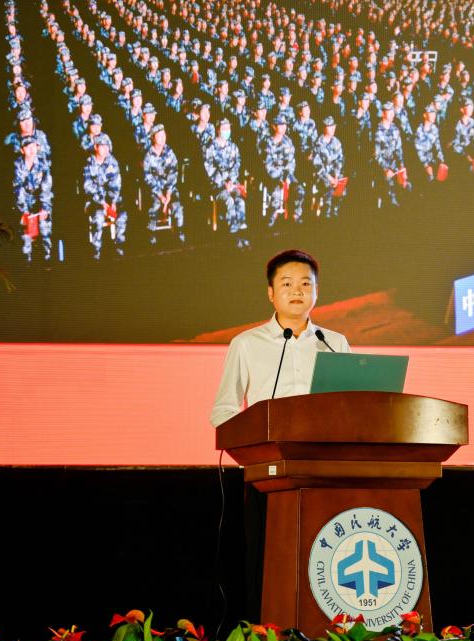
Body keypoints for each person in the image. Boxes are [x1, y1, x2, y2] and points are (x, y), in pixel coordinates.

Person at [209, 249, 350, 427]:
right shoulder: (246, 343)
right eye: (287, 284)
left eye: (305, 284)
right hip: (268, 442)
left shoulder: (335, 343)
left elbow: (353, 404)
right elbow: (223, 412)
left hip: (325, 442)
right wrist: (253, 434)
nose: (297, 291)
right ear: (271, 293)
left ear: (316, 291)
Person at [203, 119, 248, 247]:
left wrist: (231, 181)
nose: (227, 131)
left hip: (232, 182)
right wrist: (223, 183)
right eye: (224, 128)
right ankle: (232, 231)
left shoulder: (233, 146)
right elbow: (209, 168)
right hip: (216, 184)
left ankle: (241, 228)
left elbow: (237, 164)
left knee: (240, 200)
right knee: (229, 200)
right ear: (218, 130)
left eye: (228, 128)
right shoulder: (210, 147)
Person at [13, 135, 53, 263]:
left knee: (45, 227)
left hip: (40, 201)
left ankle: (47, 258)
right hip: (23, 203)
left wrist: (44, 207)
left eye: (33, 146)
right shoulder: (17, 165)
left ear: (38, 147)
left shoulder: (43, 164)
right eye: (27, 147)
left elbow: (46, 187)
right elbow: (17, 189)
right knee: (25, 232)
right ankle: (27, 261)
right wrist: (24, 211)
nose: (31, 150)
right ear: (22, 150)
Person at [82, 133, 124, 260]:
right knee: (98, 217)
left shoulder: (112, 162)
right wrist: (102, 202)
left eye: (107, 146)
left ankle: (119, 245)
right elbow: (88, 187)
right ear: (96, 147)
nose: (106, 149)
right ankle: (96, 249)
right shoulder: (88, 163)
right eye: (102, 146)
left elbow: (116, 184)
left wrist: (113, 201)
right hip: (94, 200)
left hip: (110, 199)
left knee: (122, 216)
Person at [143, 124, 185, 244]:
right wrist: (160, 195)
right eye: (159, 136)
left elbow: (174, 172)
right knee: (154, 205)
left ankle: (180, 231)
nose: (162, 138)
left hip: (169, 189)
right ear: (153, 138)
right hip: (155, 190)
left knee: (177, 205)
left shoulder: (169, 152)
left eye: (164, 135)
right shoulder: (148, 155)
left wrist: (168, 192)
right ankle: (151, 232)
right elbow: (148, 178)